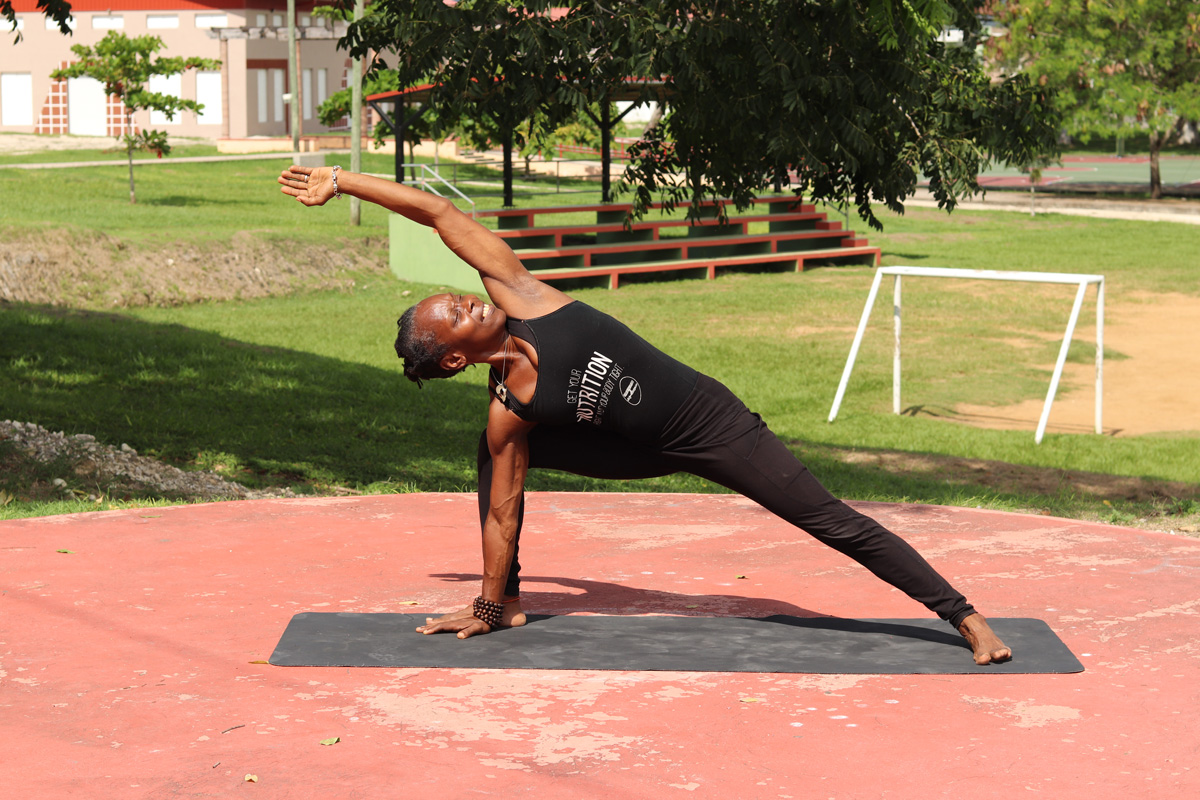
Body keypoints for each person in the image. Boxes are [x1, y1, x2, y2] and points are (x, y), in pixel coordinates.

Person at [278, 164, 1012, 665]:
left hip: (708, 422)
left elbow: (438, 211)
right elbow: (502, 516)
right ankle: (502, 606)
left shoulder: (521, 294)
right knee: (496, 453)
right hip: (631, 449)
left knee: (824, 515)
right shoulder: (510, 413)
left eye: (456, 296)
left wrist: (341, 181)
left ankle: (964, 616)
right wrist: (481, 597)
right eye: (453, 316)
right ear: (451, 360)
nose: (463, 301)